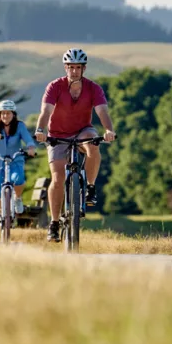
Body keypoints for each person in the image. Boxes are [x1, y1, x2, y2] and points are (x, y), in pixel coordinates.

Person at [33, 48, 115, 242]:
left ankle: (90, 186)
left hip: (82, 131)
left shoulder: (93, 88)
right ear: (65, 67)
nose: (74, 71)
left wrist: (109, 130)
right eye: (71, 67)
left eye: (78, 67)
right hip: (57, 135)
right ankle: (54, 223)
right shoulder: (55, 86)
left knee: (93, 145)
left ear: (84, 68)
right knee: (58, 178)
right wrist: (40, 130)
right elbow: (46, 111)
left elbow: (102, 111)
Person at [0, 99, 37, 235]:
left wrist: (31, 147)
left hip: (15, 159)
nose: (6, 116)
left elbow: (28, 139)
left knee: (18, 180)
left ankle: (17, 198)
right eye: (3, 113)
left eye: (9, 113)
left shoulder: (20, 126)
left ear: (14, 114)